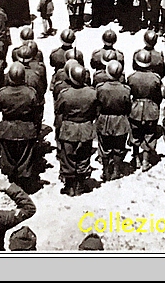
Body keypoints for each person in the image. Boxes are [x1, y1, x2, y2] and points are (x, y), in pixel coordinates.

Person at [0, 63, 40, 191]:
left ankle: (12, 181)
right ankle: (23, 181)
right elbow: (36, 112)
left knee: (8, 156)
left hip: (7, 129)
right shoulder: (30, 92)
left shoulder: (2, 92)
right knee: (25, 157)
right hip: (26, 128)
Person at [55, 64, 98, 196]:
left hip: (69, 128)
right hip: (86, 127)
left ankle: (70, 186)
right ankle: (80, 184)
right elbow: (96, 111)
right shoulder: (92, 92)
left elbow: (59, 110)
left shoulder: (65, 94)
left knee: (68, 156)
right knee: (84, 155)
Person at [95, 60, 132, 182]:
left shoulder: (100, 88)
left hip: (104, 120)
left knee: (104, 147)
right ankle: (116, 170)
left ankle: (106, 171)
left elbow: (97, 105)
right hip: (120, 120)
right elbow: (128, 107)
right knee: (119, 147)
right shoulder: (125, 89)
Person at [128, 50, 163, 172]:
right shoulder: (155, 78)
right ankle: (145, 161)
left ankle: (136, 158)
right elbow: (159, 97)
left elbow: (129, 95)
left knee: (135, 133)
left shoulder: (131, 78)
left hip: (136, 108)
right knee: (149, 134)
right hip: (150, 109)